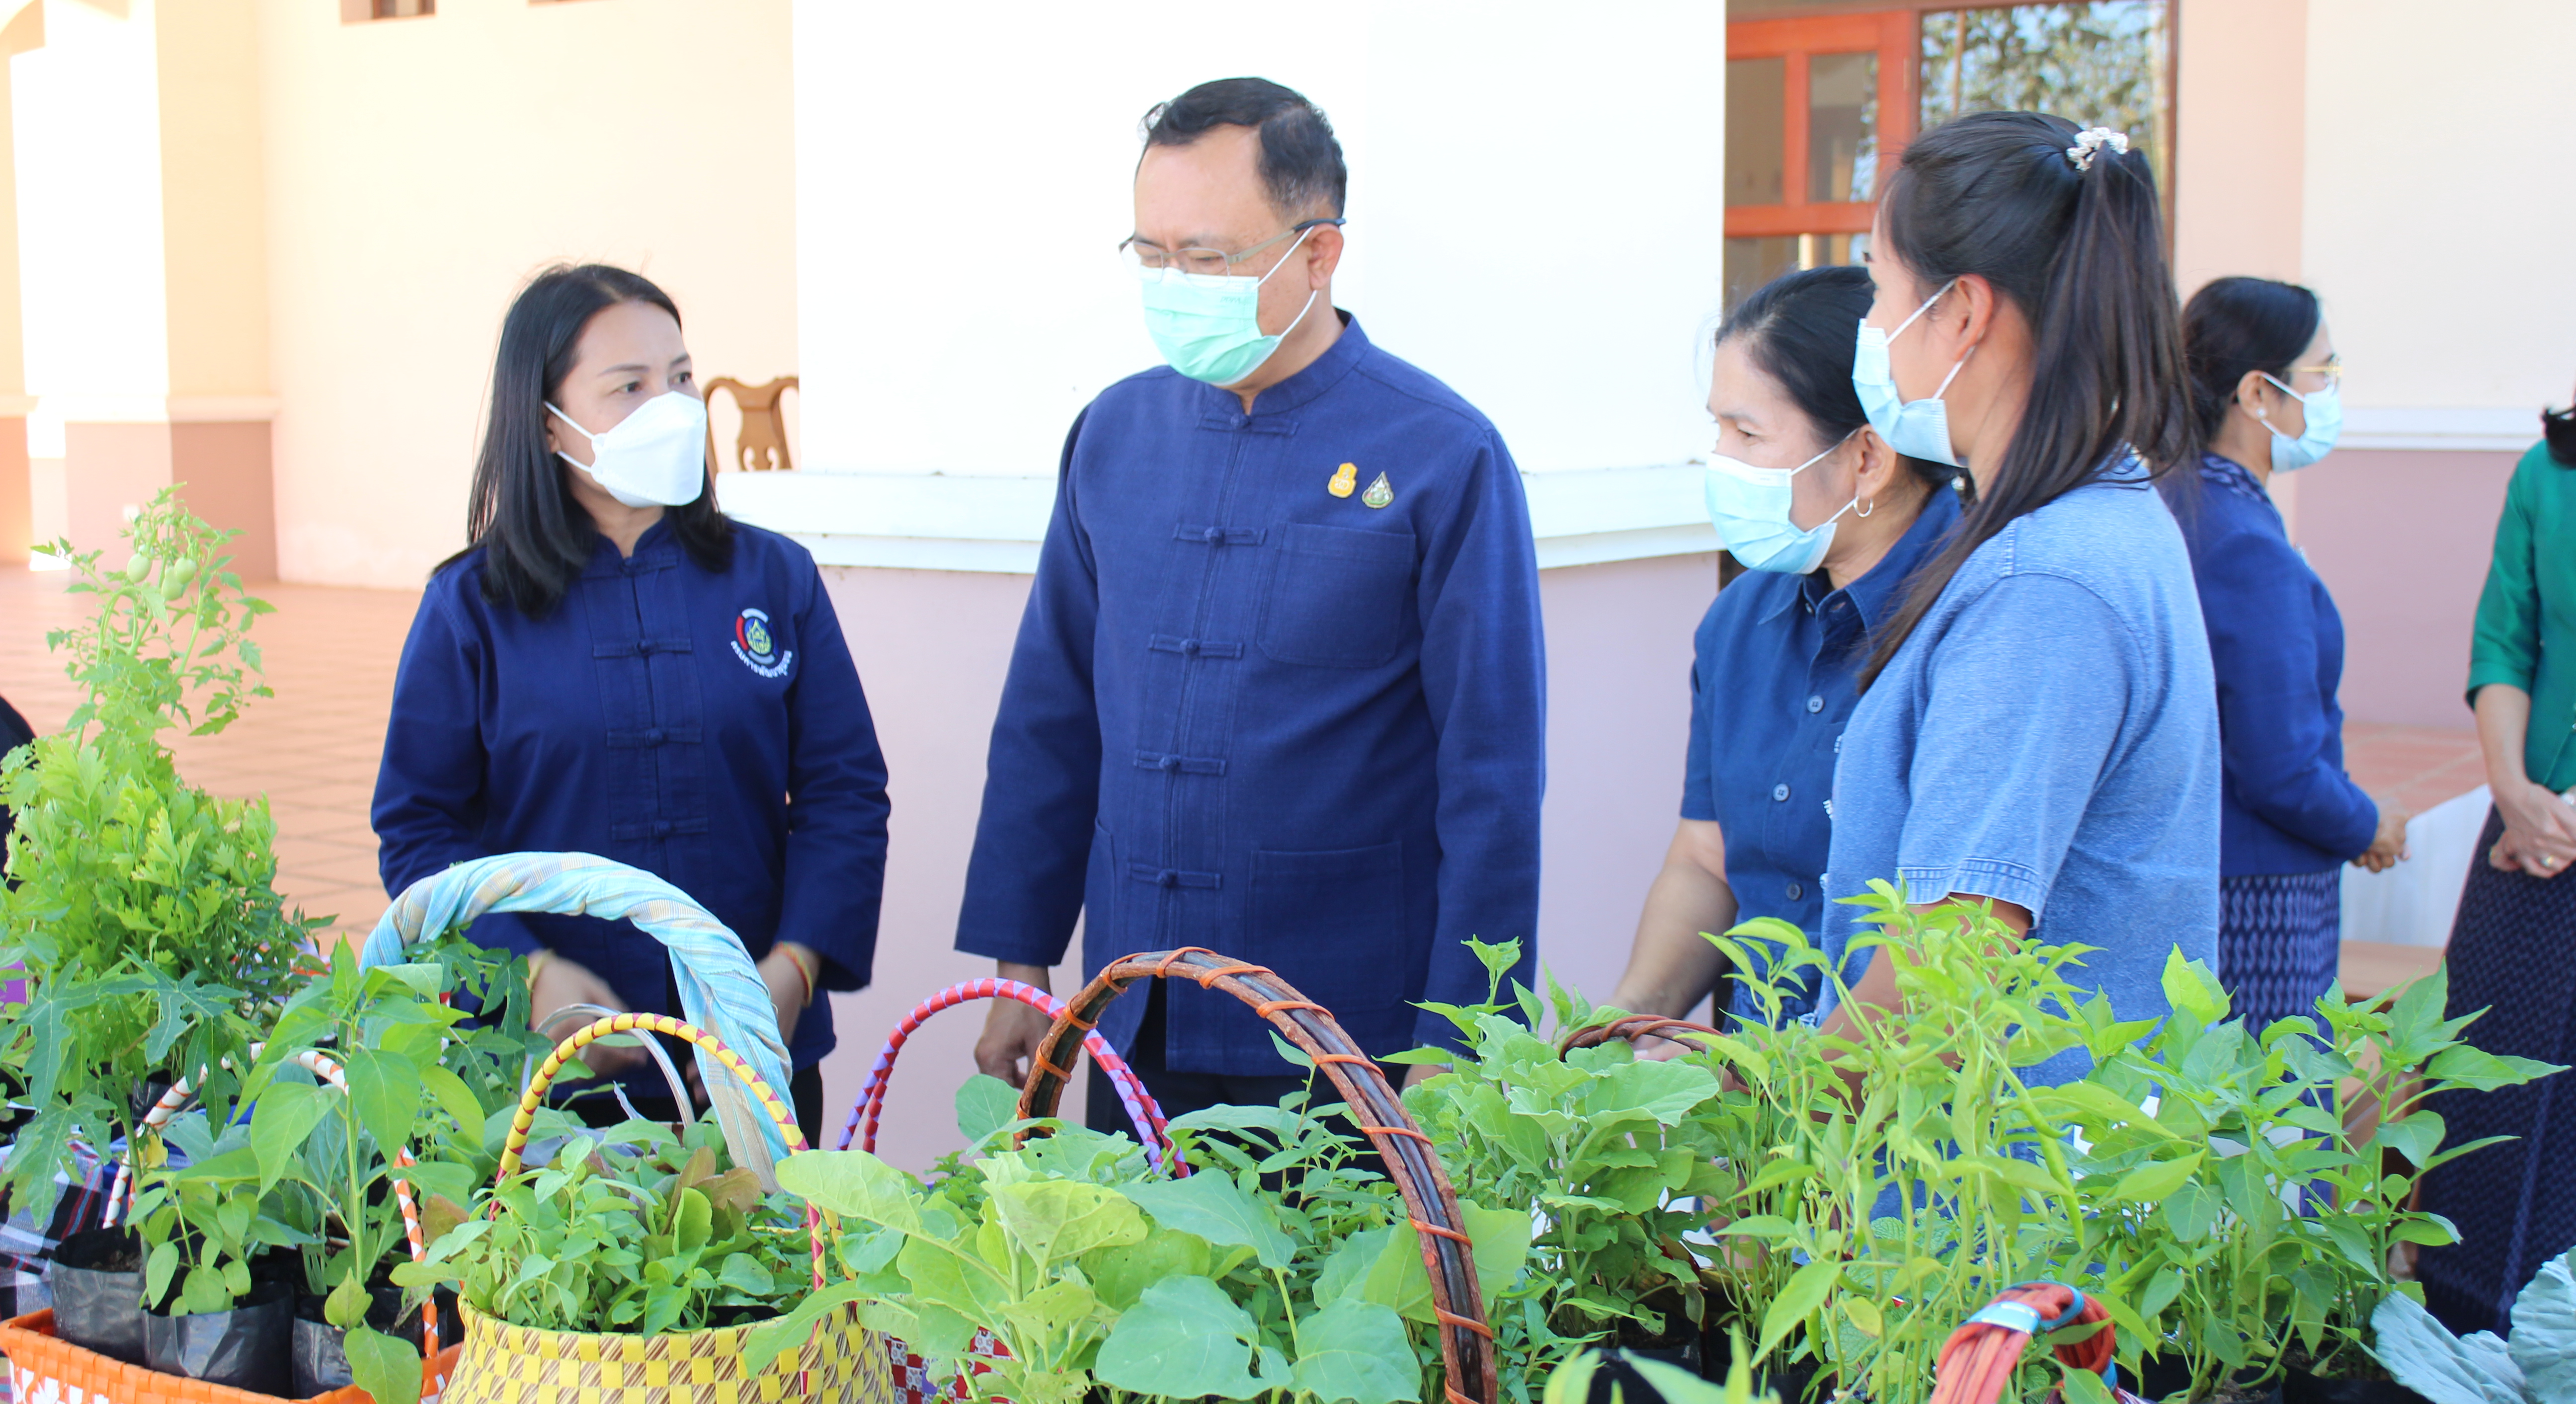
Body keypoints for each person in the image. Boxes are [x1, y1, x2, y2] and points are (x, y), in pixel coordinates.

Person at [958, 78, 1546, 1128]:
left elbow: (1492, 776)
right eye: (1153, 254)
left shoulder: (1442, 454)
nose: (1177, 282)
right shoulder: (1115, 434)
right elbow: (1050, 714)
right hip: (1134, 1017)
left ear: (1318, 253)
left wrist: (1464, 1044)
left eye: (1211, 258)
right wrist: (1021, 958)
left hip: (1350, 1038)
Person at [373, 265, 891, 1146]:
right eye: (631, 387)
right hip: (547, 1084)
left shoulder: (775, 579)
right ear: (547, 422)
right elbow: (421, 832)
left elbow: (845, 794)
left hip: (754, 1066)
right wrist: (530, 975)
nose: (674, 407)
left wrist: (790, 973)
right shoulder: (471, 608)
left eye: (682, 379)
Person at [1816, 115, 2220, 1083]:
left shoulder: (2045, 587)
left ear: (1962, 311)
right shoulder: (2086, 519)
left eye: (1881, 289)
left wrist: (1756, 1129)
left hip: (2007, 1203)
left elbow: (1945, 966)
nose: (1872, 331)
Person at [1608, 267, 1959, 1029]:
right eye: (1717, 430)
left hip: (1907, 1102)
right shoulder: (1741, 619)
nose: (1721, 461)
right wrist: (1626, 1027)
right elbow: (1708, 859)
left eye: (1748, 434)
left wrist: (1779, 1079)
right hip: (1754, 1099)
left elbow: (1955, 938)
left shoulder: (1974, 622)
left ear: (1868, 458)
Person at [2164, 277, 2408, 1036]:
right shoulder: (2239, 539)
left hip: (2198, 868)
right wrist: (2368, 823)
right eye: (2321, 375)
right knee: (2272, 1126)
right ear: (2256, 395)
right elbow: (2279, 763)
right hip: (2256, 893)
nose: (2330, 396)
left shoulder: (2178, 501)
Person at [2413, 391, 2576, 1336]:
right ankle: (2463, 1328)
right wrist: (2511, 789)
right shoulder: (2544, 472)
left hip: (2552, 822)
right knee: (2485, 1084)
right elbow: (2505, 641)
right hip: (2526, 828)